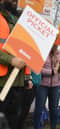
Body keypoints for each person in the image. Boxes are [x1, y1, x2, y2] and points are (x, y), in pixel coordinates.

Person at [0, 1, 33, 129]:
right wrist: (10, 60)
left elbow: (27, 51)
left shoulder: (21, 20)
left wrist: (27, 76)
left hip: (17, 83)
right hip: (2, 82)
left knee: (14, 122)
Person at [33, 44, 60, 129]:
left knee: (54, 110)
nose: (56, 45)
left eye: (57, 43)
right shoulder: (42, 52)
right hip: (42, 85)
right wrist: (50, 72)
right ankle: (36, 127)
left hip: (56, 86)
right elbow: (38, 68)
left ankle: (53, 127)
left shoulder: (59, 54)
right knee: (39, 109)